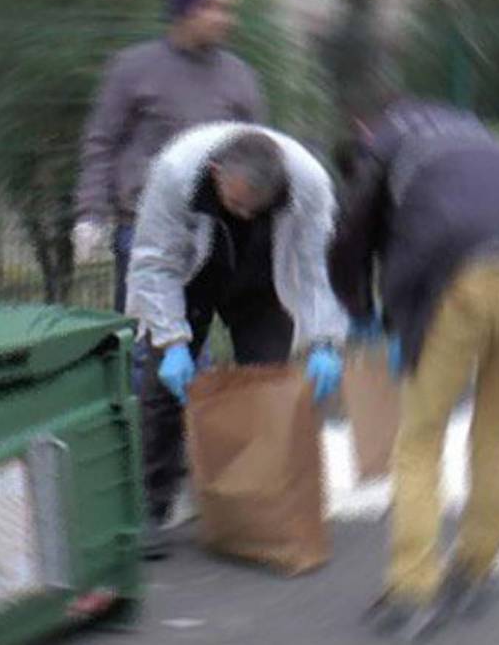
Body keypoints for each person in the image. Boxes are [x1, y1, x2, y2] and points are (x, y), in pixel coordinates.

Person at [327, 75, 499, 640]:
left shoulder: (382, 142)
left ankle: (413, 591)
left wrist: (360, 310)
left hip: (467, 274)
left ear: (365, 130)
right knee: (498, 431)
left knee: (420, 439)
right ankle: (475, 572)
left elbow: (354, 236)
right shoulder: (472, 130)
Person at [127, 123, 348, 559]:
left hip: (264, 278)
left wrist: (326, 341)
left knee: (266, 390)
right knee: (161, 393)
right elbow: (155, 261)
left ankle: (253, 509)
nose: (245, 215)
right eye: (236, 204)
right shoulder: (176, 172)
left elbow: (316, 268)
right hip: (195, 272)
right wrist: (171, 342)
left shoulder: (308, 184)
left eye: (256, 208)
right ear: (216, 173)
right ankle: (152, 509)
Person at [74, 0, 266, 313]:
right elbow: (101, 142)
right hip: (142, 228)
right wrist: (91, 213)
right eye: (211, 7)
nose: (222, 18)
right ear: (184, 9)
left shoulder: (241, 78)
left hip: (208, 231)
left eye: (227, 9)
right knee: (142, 343)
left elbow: (258, 156)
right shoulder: (133, 68)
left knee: (191, 344)